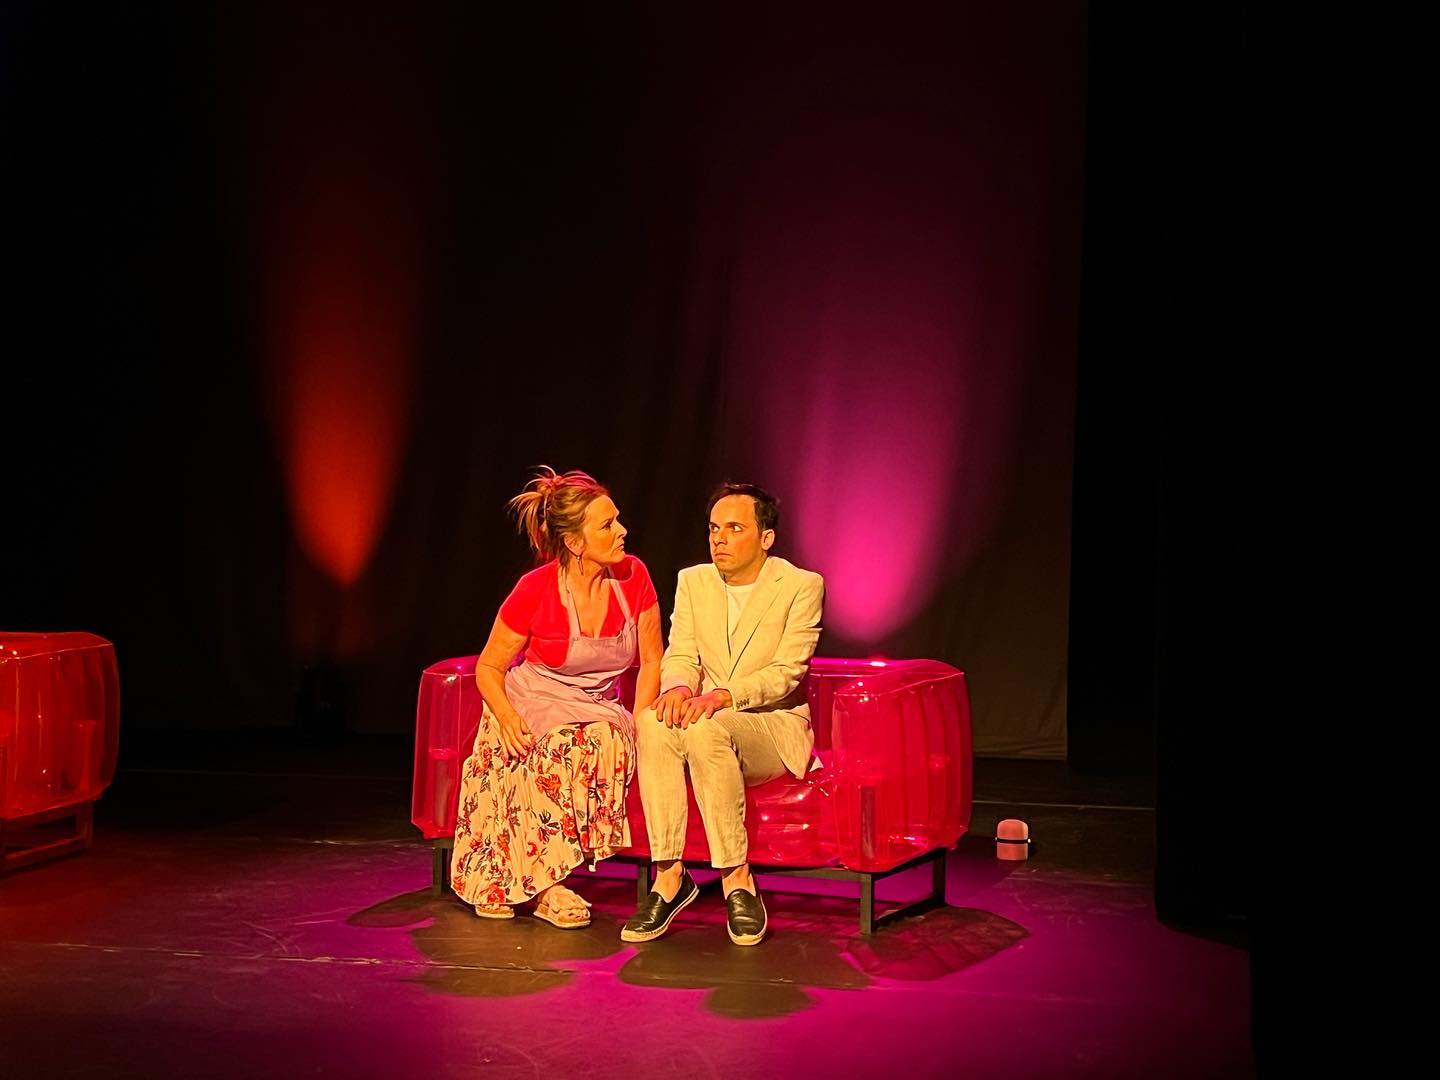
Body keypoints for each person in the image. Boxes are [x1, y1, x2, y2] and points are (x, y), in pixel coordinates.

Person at [451, 467, 662, 928]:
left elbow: (652, 661)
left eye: (617, 519)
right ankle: (544, 887)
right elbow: (489, 667)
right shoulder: (536, 588)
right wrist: (507, 717)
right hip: (531, 698)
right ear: (575, 543)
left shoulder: (634, 576)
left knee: (594, 740)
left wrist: (643, 722)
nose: (622, 531)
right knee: (535, 749)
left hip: (597, 705)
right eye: (607, 525)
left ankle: (526, 881)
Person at [622, 482, 823, 946]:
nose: (720, 539)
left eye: (734, 528)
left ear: (766, 538)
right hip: (708, 721)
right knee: (652, 720)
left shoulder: (800, 585)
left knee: (706, 729)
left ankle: (737, 878)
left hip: (771, 725)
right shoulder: (694, 581)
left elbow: (786, 673)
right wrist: (677, 687)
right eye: (714, 528)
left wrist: (721, 697)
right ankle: (669, 876)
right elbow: (682, 653)